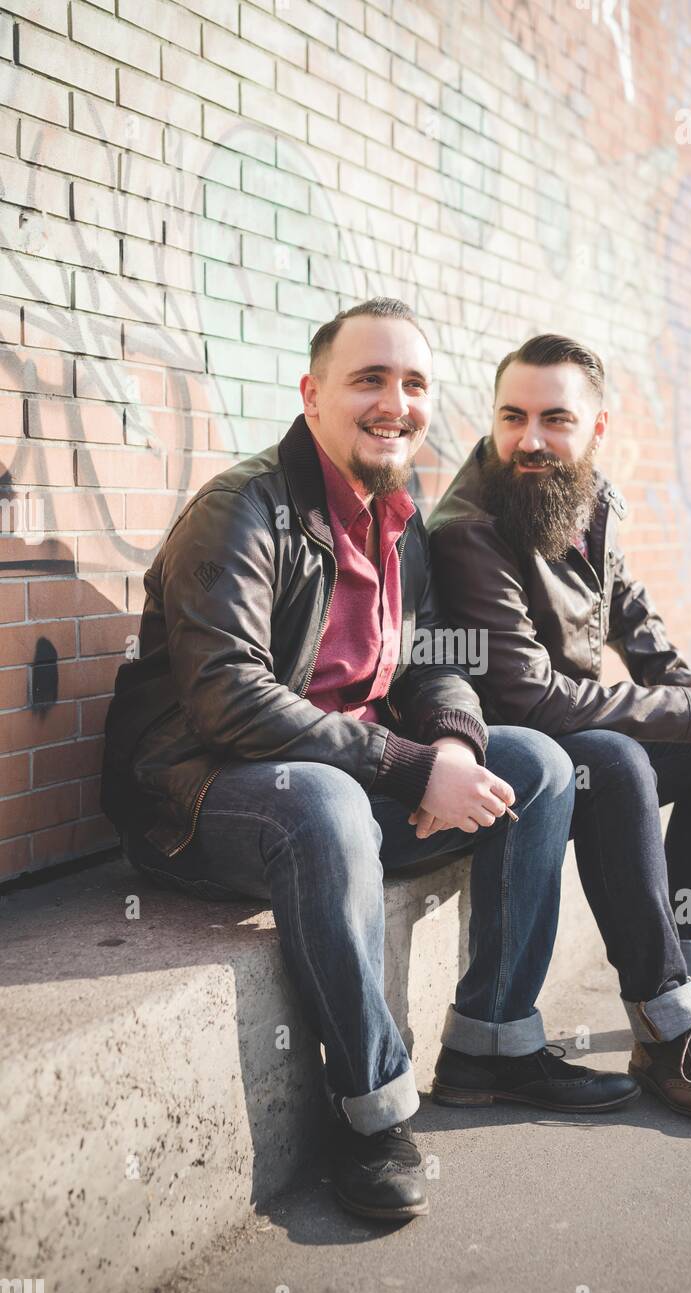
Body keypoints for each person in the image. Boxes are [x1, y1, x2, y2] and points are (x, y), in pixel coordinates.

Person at [100, 303, 638, 1225]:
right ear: (312, 396)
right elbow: (227, 696)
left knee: (539, 763)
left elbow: (434, 663)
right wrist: (402, 765)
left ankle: (491, 1045)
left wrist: (457, 746)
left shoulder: (398, 517)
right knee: (324, 803)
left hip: (344, 775)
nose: (395, 402)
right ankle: (372, 1109)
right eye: (369, 380)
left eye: (414, 384)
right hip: (200, 796)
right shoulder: (242, 511)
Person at [427, 333, 691, 1123]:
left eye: (554, 419)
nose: (529, 439)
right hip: (511, 754)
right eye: (512, 416)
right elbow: (528, 699)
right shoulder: (471, 526)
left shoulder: (585, 496)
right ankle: (667, 1027)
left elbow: (632, 618)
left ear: (595, 429)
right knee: (616, 764)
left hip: (571, 729)